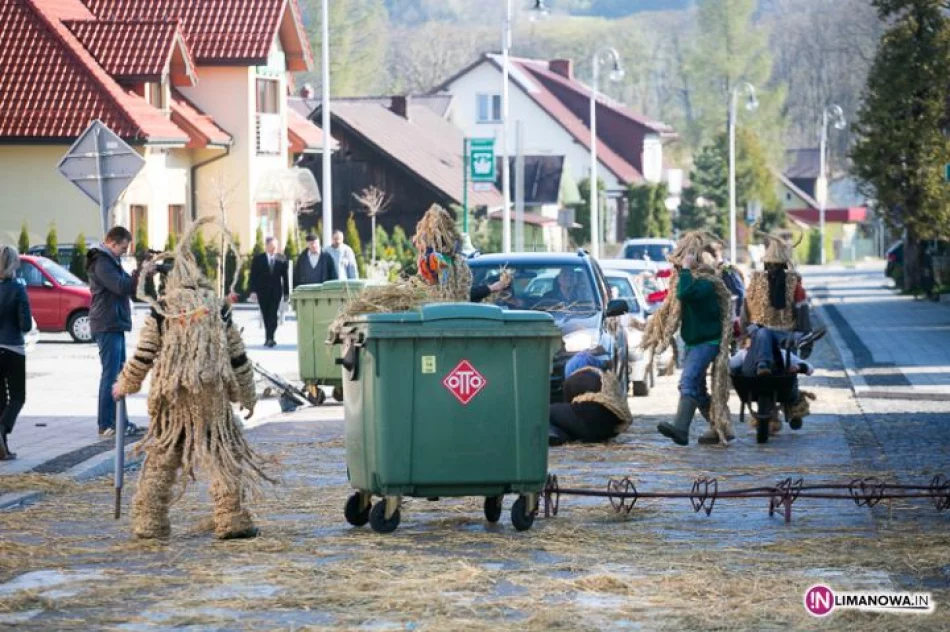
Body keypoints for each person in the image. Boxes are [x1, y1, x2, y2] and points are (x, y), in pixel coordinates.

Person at [113, 217, 271, 540]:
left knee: (164, 453)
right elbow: (237, 355)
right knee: (222, 454)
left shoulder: (162, 310)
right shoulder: (216, 307)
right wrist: (247, 395)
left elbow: (144, 354)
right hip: (210, 394)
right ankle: (231, 519)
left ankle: (149, 522)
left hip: (174, 396)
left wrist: (124, 385)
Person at [653, 244, 735, 447]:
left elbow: (685, 294)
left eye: (682, 267)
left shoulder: (706, 284)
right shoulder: (689, 281)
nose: (679, 271)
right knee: (697, 388)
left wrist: (687, 269)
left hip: (707, 342)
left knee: (687, 382)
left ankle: (681, 429)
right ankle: (720, 427)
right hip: (693, 343)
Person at [86, 227, 145, 438]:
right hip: (106, 324)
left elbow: (126, 287)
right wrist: (139, 273)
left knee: (120, 377)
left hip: (114, 323)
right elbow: (120, 287)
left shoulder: (110, 261)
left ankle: (121, 422)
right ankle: (105, 424)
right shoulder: (102, 262)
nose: (124, 251)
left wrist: (139, 274)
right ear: (111, 243)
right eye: (123, 247)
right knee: (111, 375)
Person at [548, 351, 632, 446]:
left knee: (546, 413)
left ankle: (555, 435)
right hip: (610, 429)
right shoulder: (607, 379)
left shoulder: (573, 380)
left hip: (588, 423)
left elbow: (570, 407)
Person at [0, 246, 31, 460]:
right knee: (18, 396)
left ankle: (3, 450)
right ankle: (3, 430)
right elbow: (26, 324)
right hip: (13, 347)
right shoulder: (18, 288)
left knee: (1, 400)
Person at [249, 237, 289, 348]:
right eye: (272, 246)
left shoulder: (282, 259)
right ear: (266, 246)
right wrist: (253, 291)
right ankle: (269, 338)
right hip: (262, 292)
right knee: (266, 315)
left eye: (275, 247)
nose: (274, 249)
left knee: (273, 314)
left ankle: (270, 338)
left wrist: (286, 293)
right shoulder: (258, 259)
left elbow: (285, 278)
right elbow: (253, 276)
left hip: (276, 292)